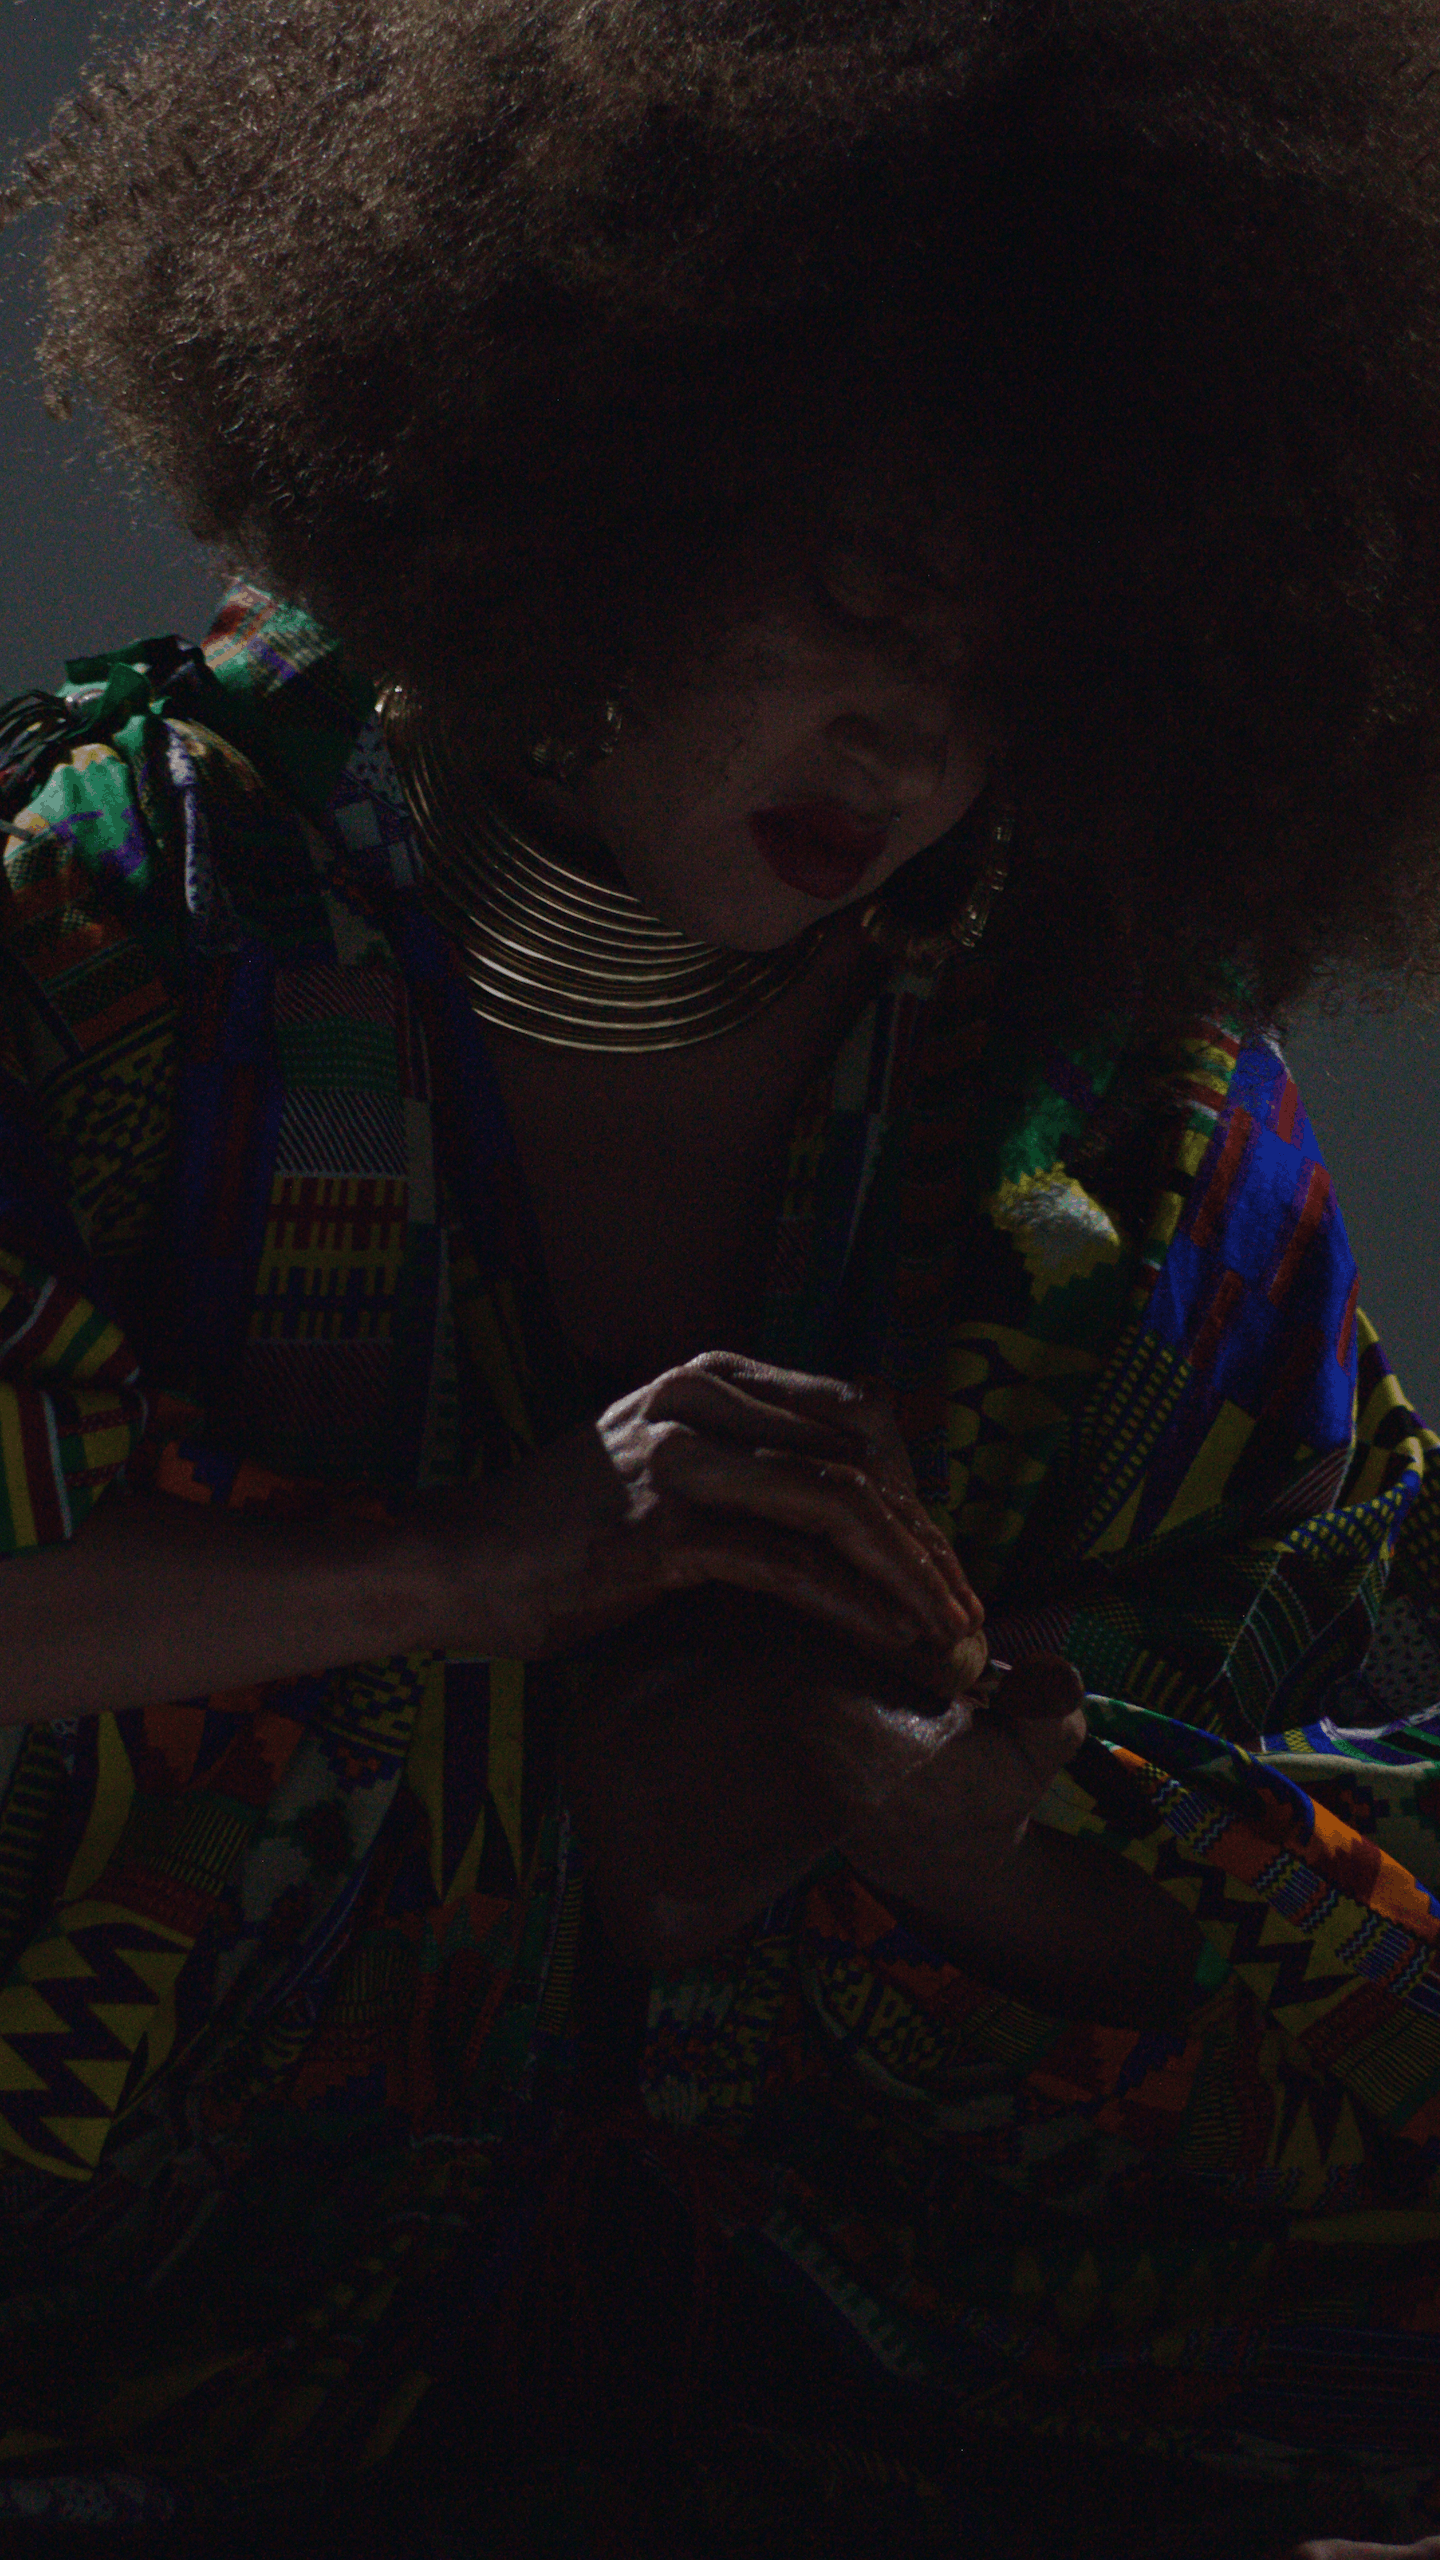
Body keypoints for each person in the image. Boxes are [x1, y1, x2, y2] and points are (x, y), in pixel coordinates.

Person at [5, 1, 1440, 2552]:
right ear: (595, 474)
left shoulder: (1110, 1093)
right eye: (851, 604)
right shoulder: (113, 908)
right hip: (123, 2321)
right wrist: (462, 1582)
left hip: (883, 2340)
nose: (909, 746)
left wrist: (951, 1834)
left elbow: (1361, 1735)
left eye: (1006, 674)